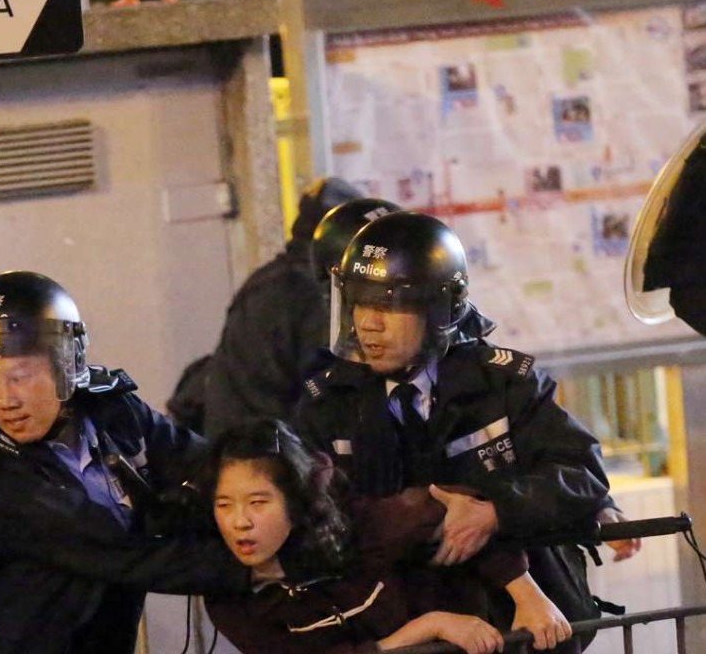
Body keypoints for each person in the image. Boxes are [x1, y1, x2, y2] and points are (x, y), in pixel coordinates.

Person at [293, 212, 639, 652]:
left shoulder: (502, 384)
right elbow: (323, 515)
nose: (369, 323)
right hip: (408, 630)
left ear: (440, 309)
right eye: (359, 304)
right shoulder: (328, 405)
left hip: (523, 629)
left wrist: (496, 510)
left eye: (390, 305)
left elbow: (581, 471)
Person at [0, 271, 248, 654]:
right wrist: (258, 566)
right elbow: (122, 553)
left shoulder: (111, 408)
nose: (5, 400)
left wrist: (275, 500)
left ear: (65, 363)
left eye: (21, 377)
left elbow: (203, 463)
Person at [204, 420, 573, 653]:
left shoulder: (354, 525)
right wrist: (432, 625)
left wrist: (527, 595)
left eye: (258, 502)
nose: (240, 522)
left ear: (295, 501)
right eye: (224, 504)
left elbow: (456, 511)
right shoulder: (228, 596)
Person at [171, 179, 399, 439]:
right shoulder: (315, 292)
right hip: (271, 450)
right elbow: (331, 395)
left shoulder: (268, 279)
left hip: (243, 446)